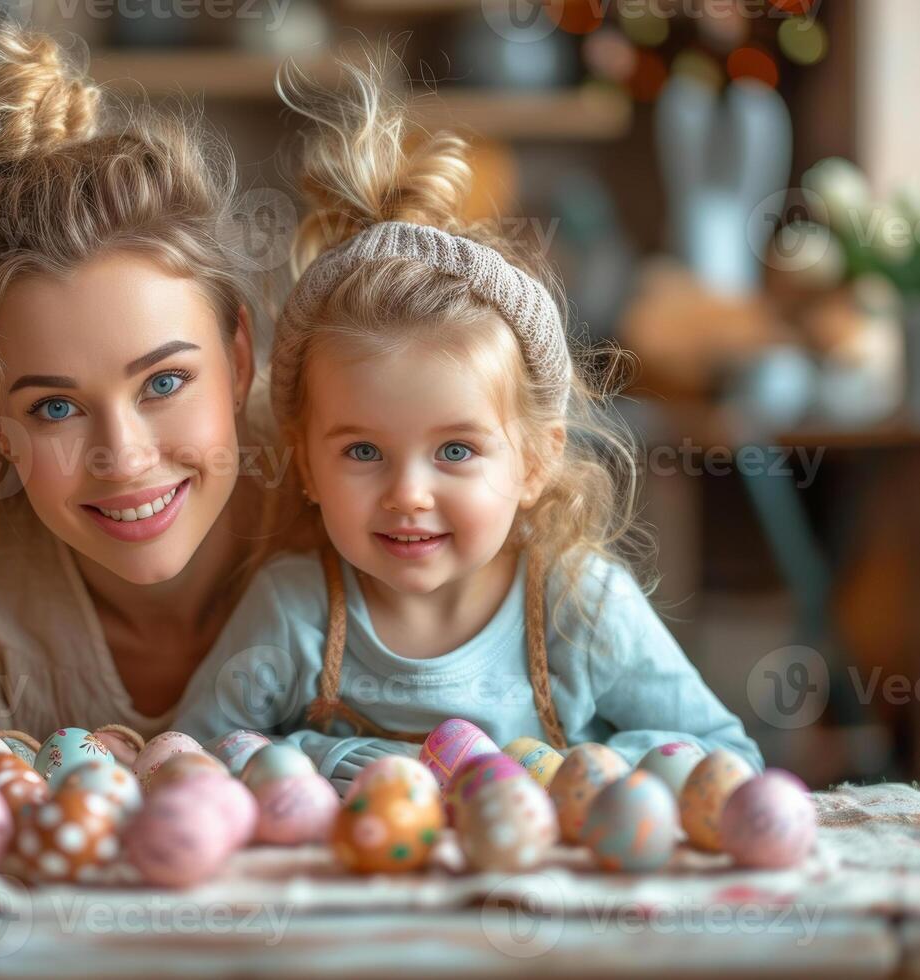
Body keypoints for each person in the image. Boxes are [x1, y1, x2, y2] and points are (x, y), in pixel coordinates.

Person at [173, 58, 764, 789]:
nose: (408, 494)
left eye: (454, 449)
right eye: (362, 450)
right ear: (304, 464)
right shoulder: (296, 613)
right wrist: (332, 760)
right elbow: (187, 760)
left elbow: (728, 757)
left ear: (536, 461)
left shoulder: (578, 608)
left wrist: (568, 772)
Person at [0, 22, 296, 754]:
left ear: (237, 357)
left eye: (163, 381)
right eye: (55, 408)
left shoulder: (354, 498)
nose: (124, 458)